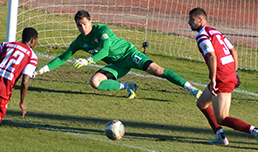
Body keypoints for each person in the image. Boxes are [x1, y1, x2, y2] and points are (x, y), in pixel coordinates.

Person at [35, 10, 200, 99]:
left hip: (129, 54)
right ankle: (128, 86)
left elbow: (105, 50)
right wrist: (40, 71)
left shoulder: (102, 31)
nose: (83, 28)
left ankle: (191, 89)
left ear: (90, 22)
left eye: (85, 24)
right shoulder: (80, 41)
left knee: (157, 71)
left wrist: (88, 61)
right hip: (117, 65)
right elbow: (63, 57)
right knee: (95, 82)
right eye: (79, 25)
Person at [188, 7, 258, 149]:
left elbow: (212, 55)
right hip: (229, 73)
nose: (189, 22)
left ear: (200, 20)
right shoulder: (216, 32)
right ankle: (220, 136)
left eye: (191, 19)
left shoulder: (202, 36)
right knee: (202, 103)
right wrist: (235, 72)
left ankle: (256, 131)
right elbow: (233, 51)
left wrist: (213, 79)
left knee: (222, 117)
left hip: (221, 77)